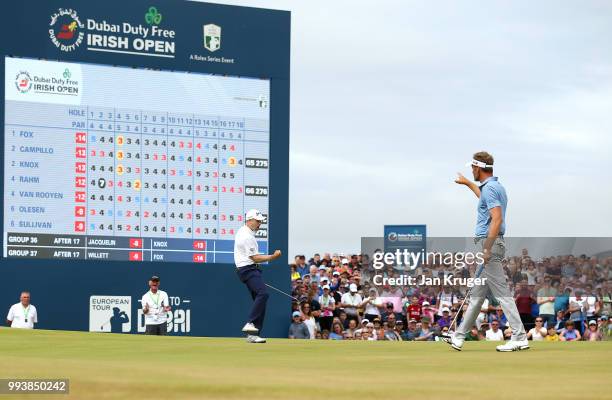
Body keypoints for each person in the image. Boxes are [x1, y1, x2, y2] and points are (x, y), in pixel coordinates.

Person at [446, 152, 528, 352]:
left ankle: (519, 336)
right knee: (477, 293)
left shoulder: (490, 189)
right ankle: (458, 336)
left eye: (472, 168)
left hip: (488, 242)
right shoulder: (494, 187)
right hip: (489, 242)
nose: (471, 171)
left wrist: (486, 248)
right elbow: (483, 198)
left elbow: (496, 218)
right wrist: (467, 183)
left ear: (479, 168)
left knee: (501, 291)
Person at [234, 209, 282, 343]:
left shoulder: (244, 231)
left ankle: (253, 335)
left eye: (260, 221)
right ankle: (250, 324)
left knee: (260, 299)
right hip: (248, 269)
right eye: (257, 221)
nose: (259, 224)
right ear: (249, 220)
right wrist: (273, 257)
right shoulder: (247, 236)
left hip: (247, 269)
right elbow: (255, 258)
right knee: (263, 294)